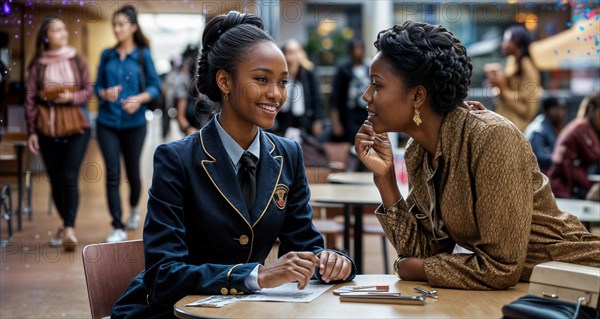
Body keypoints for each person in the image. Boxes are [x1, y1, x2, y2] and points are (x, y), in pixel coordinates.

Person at [111, 11, 356, 318]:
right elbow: (163, 275)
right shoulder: (176, 159)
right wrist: (256, 276)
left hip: (245, 311)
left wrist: (332, 261)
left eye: (282, 82)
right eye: (262, 79)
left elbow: (305, 243)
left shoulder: (288, 154)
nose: (276, 94)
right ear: (224, 81)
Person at [355, 21, 600, 290]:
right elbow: (424, 253)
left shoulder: (492, 137)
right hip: (522, 291)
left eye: (377, 85)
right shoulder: (418, 153)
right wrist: (385, 180)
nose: (367, 96)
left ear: (418, 96)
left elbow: (500, 266)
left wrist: (420, 269)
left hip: (579, 283)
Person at [24, 16, 93, 250]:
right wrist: (32, 132)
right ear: (46, 37)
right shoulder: (37, 66)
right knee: (54, 179)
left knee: (68, 176)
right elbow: (30, 99)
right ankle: (65, 224)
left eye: (63, 29)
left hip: (76, 125)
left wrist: (71, 97)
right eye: (56, 30)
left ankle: (70, 230)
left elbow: (88, 90)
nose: (62, 33)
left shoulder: (77, 59)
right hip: (46, 127)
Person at [95, 5, 161, 242]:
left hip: (135, 124)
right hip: (106, 123)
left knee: (132, 170)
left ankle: (134, 208)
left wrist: (139, 99)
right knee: (112, 172)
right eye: (114, 24)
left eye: (122, 24)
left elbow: (155, 86)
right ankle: (118, 226)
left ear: (133, 27)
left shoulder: (143, 55)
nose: (117, 29)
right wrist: (104, 94)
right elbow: (96, 87)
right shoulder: (107, 55)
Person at [485, 24, 542, 132]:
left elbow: (529, 109)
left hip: (517, 129)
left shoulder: (526, 66)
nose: (503, 44)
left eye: (506, 40)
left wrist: (504, 91)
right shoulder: (512, 61)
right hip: (505, 125)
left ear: (517, 42)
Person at [548, 93, 600, 200]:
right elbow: (595, 154)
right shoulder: (581, 128)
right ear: (592, 109)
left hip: (575, 185)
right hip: (565, 188)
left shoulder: (588, 127)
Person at [274, 39, 324, 138]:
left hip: (304, 119)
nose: (289, 56)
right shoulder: (280, 72)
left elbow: (317, 97)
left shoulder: (308, 72)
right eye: (286, 52)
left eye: (292, 52)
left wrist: (317, 120)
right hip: (284, 118)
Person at [330, 38, 370, 144]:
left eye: (360, 48)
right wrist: (336, 122)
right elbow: (335, 97)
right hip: (349, 114)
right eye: (355, 48)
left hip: (366, 112)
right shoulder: (343, 69)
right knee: (351, 142)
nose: (358, 51)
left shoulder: (368, 67)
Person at [524, 96, 567, 173]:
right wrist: (561, 158)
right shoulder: (538, 130)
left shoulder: (551, 126)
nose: (563, 113)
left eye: (564, 109)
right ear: (550, 110)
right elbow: (539, 157)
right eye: (560, 108)